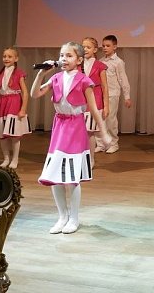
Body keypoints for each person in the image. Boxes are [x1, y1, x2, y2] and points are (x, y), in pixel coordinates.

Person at [30, 41, 102, 234]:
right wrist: (41, 74)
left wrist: (103, 131)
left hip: (76, 128)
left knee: (71, 177)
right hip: (59, 128)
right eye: (62, 55)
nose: (64, 59)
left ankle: (74, 218)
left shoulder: (84, 81)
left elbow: (94, 108)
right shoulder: (55, 78)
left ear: (79, 60)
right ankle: (62, 216)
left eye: (69, 55)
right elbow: (35, 94)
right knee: (55, 174)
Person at [0, 47, 31, 169]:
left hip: (14, 103)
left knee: (14, 134)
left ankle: (15, 159)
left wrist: (23, 109)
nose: (6, 59)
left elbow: (25, 93)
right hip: (2, 103)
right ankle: (6, 158)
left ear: (16, 59)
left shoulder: (19, 73)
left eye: (9, 56)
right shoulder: (0, 74)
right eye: (4, 56)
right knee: (2, 134)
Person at [101, 34, 132, 153]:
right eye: (103, 46)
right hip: (101, 94)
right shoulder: (101, 61)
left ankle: (113, 143)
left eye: (108, 45)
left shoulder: (118, 62)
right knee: (100, 119)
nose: (105, 48)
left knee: (110, 119)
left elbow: (123, 79)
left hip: (112, 94)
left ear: (114, 47)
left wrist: (127, 96)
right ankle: (102, 144)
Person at [81, 37, 112, 154]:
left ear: (95, 50)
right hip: (81, 101)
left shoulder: (100, 66)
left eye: (88, 47)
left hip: (95, 101)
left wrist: (106, 106)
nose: (85, 49)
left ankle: (91, 158)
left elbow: (104, 87)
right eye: (83, 47)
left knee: (90, 131)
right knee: (81, 131)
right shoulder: (78, 65)